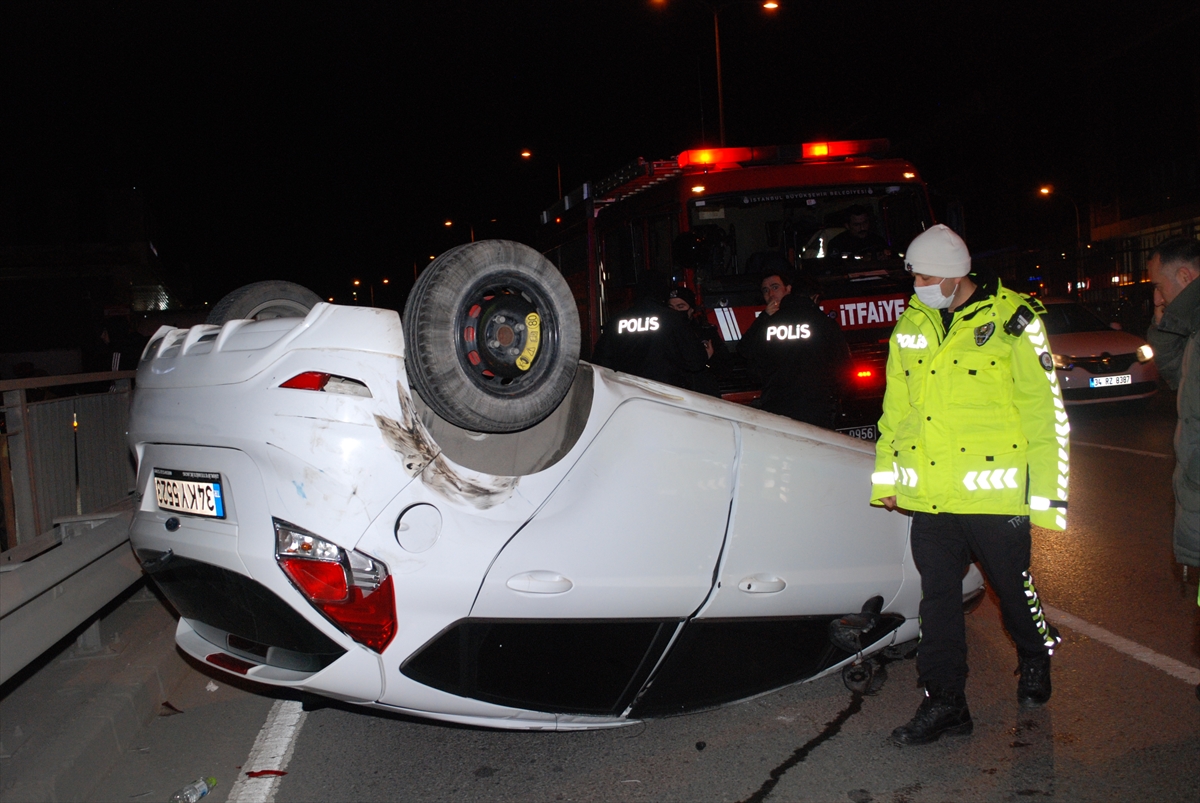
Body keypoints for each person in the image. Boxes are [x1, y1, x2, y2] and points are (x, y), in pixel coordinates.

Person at [869, 224, 1068, 746]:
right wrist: (887, 477)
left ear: (958, 276)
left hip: (995, 495)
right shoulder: (912, 322)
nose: (919, 286)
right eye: (915, 277)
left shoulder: (1014, 320)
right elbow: (896, 408)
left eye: (929, 277)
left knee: (1010, 589)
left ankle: (1034, 653)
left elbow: (1044, 414)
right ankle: (945, 702)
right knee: (937, 600)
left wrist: (1044, 499)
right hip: (933, 498)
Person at [1145, 237, 1200, 586]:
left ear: (1183, 276)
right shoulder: (1194, 329)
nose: (1157, 298)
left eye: (1158, 287)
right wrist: (1165, 325)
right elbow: (1178, 378)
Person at [738, 269, 850, 427]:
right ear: (815, 297)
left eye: (775, 287)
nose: (770, 294)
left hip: (777, 406)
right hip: (815, 407)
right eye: (765, 290)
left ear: (789, 289)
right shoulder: (822, 322)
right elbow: (842, 366)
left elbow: (746, 353)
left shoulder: (767, 324)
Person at [591, 287, 708, 392]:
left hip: (627, 393)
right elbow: (695, 361)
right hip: (667, 393)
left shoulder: (617, 320)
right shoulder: (672, 319)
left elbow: (601, 362)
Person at [667, 286, 722, 397]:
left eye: (680, 306)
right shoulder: (663, 334)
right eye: (671, 308)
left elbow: (723, 366)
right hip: (674, 394)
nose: (675, 312)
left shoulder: (705, 331)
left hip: (703, 394)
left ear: (691, 309)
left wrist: (706, 360)